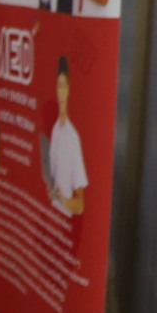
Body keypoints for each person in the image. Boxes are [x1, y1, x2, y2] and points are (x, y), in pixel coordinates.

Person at [47, 55, 87, 215]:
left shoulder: (73, 138)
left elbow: (80, 205)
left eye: (64, 86)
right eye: (59, 86)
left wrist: (63, 201)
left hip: (65, 220)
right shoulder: (55, 129)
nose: (61, 91)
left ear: (69, 88)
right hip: (51, 215)